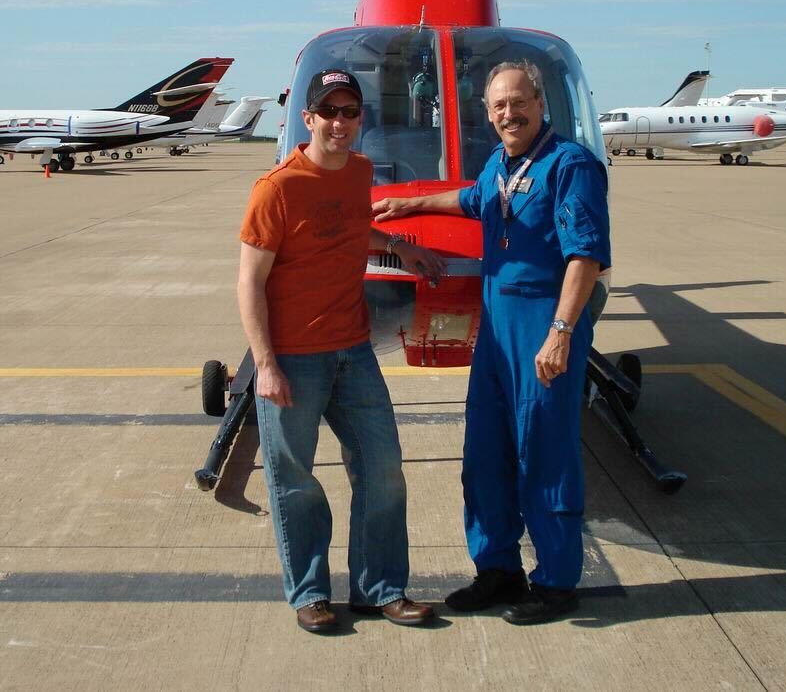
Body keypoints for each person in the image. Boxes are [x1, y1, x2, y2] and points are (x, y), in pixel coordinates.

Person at [372, 60, 611, 625]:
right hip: (497, 332)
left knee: (544, 452)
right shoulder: (503, 164)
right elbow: (475, 200)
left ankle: (554, 583)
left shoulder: (570, 164)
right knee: (486, 453)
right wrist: (410, 205)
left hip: (543, 326)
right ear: (488, 112)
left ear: (540, 103)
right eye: (499, 105)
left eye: (519, 101)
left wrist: (560, 333)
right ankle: (496, 569)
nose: (510, 112)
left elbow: (586, 255)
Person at [238, 68, 445, 634]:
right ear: (307, 119)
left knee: (383, 471)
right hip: (294, 359)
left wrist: (404, 248)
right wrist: (265, 365)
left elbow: (353, 228)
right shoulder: (276, 188)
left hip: (353, 350)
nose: (339, 122)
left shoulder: (357, 172)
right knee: (296, 480)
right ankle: (309, 593)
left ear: (360, 120)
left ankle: (381, 590)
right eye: (328, 112)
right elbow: (249, 284)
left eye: (349, 112)